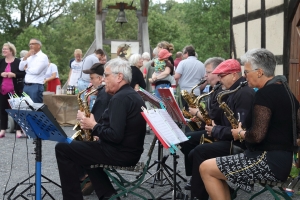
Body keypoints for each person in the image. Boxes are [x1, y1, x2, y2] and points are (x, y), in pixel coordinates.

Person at [200, 49, 300, 200]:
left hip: (266, 161)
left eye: (246, 72)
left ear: (259, 72)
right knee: (213, 168)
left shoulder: (264, 94)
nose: (245, 77)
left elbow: (256, 136)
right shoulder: (287, 92)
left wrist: (239, 133)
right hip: (282, 161)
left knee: (206, 168)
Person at [55, 58, 146, 200]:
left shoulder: (120, 99)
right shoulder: (132, 95)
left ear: (119, 77)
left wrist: (93, 126)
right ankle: (108, 194)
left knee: (62, 148)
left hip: (121, 154)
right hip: (129, 152)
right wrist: (98, 130)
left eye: (106, 75)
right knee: (85, 152)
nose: (103, 80)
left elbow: (115, 136)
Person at [188, 58, 255, 200]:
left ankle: (198, 196)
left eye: (222, 76)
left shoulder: (244, 94)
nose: (219, 79)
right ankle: (213, 188)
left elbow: (240, 130)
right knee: (194, 151)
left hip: (241, 145)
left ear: (234, 75)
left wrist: (216, 131)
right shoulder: (232, 91)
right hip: (229, 138)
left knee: (199, 152)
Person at [179, 57, 224, 188]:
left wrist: (197, 113)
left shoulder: (221, 91)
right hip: (211, 128)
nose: (205, 75)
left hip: (218, 132)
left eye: (208, 72)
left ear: (217, 72)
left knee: (187, 139)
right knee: (187, 133)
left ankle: (197, 176)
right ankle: (196, 173)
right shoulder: (213, 89)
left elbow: (214, 119)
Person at [76, 62, 112, 196]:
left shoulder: (104, 95)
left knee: (74, 146)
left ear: (100, 78)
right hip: (101, 133)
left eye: (92, 78)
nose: (90, 82)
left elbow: (96, 121)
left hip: (100, 137)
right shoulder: (103, 93)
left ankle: (86, 176)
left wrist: (82, 117)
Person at [0, 42, 26, 138]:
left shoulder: (18, 62)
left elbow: (23, 73)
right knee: (2, 110)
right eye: (3, 48)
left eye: (5, 49)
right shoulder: (1, 61)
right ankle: (2, 130)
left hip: (15, 90)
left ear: (11, 50)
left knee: (17, 110)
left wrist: (14, 75)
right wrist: (1, 74)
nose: (3, 50)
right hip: (2, 90)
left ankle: (18, 130)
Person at [174, 45, 206, 110]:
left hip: (184, 92)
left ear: (187, 53)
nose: (182, 55)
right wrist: (200, 88)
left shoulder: (182, 63)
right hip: (196, 92)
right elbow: (205, 79)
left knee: (185, 112)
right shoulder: (201, 64)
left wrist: (175, 85)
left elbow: (176, 77)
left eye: (183, 53)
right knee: (195, 113)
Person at [19, 38, 48, 103]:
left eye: (33, 44)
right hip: (26, 86)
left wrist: (26, 69)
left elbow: (36, 71)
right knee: (25, 108)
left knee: (35, 108)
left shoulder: (43, 57)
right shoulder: (29, 56)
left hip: (36, 86)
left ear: (39, 45)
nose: (30, 46)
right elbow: (20, 68)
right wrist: (26, 57)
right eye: (30, 44)